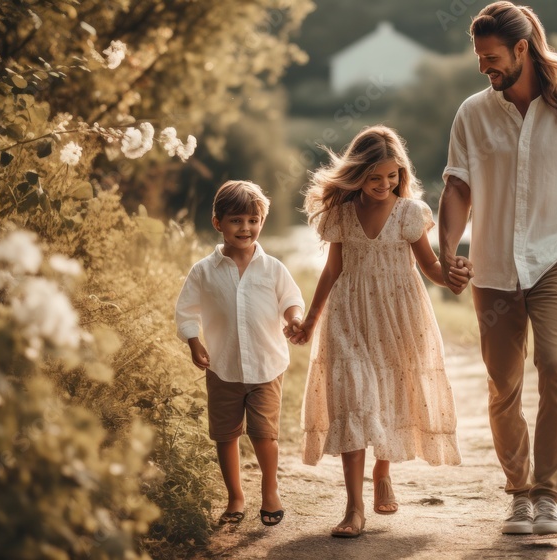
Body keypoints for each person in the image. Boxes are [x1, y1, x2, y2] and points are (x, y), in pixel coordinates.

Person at [438, 1, 557, 536]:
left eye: (492, 56)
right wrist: (448, 248)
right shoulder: (473, 113)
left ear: (523, 49)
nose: (484, 67)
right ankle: (518, 492)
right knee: (503, 386)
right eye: (479, 57)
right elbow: (456, 186)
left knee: (555, 366)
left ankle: (547, 495)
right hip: (494, 268)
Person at [289, 125, 467, 538]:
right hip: (348, 315)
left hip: (399, 317)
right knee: (354, 397)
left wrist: (454, 274)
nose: (385, 184)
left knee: (388, 397)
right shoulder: (341, 215)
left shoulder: (410, 213)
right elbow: (332, 270)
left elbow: (431, 269)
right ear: (357, 175)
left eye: (393, 176)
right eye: (375, 178)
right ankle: (353, 508)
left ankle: (382, 472)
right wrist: (311, 321)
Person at [174, 180, 305, 528]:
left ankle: (270, 489)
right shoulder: (204, 271)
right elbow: (186, 311)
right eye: (236, 220)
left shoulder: (273, 268)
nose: (245, 228)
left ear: (261, 220)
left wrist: (294, 319)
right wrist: (193, 341)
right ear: (218, 223)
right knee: (225, 434)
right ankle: (235, 495)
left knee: (264, 433)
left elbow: (292, 299)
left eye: (252, 219)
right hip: (223, 366)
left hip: (266, 365)